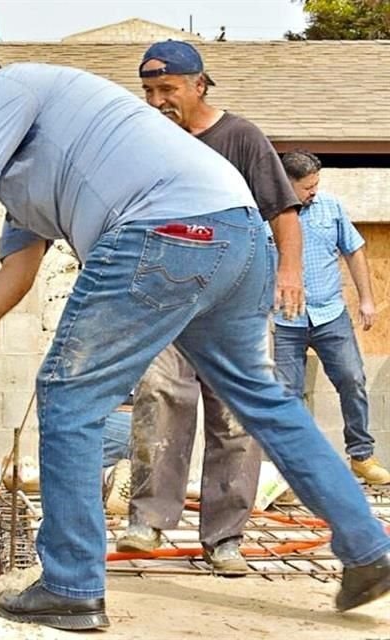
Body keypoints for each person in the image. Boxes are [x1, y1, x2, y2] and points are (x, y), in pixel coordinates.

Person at [0, 33, 390, 632]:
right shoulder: (16, 169)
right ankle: (368, 551)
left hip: (160, 230)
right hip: (234, 238)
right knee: (263, 399)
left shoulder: (5, 90)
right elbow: (17, 270)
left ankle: (70, 585)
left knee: (69, 397)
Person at [117, 40, 304, 574]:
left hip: (234, 301)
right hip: (165, 297)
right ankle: (147, 521)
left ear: (199, 85)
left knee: (237, 416)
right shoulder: (145, 146)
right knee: (158, 391)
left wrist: (289, 272)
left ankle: (225, 538)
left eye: (168, 89)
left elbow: (282, 211)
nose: (157, 101)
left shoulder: (239, 138)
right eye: (149, 91)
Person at [274, 151, 389, 485]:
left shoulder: (331, 208)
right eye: (307, 186)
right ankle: (295, 468)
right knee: (287, 394)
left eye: (316, 184)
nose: (313, 191)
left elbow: (354, 250)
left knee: (352, 379)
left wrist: (367, 299)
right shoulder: (266, 214)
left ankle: (361, 455)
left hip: (330, 316)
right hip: (284, 320)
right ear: (286, 183)